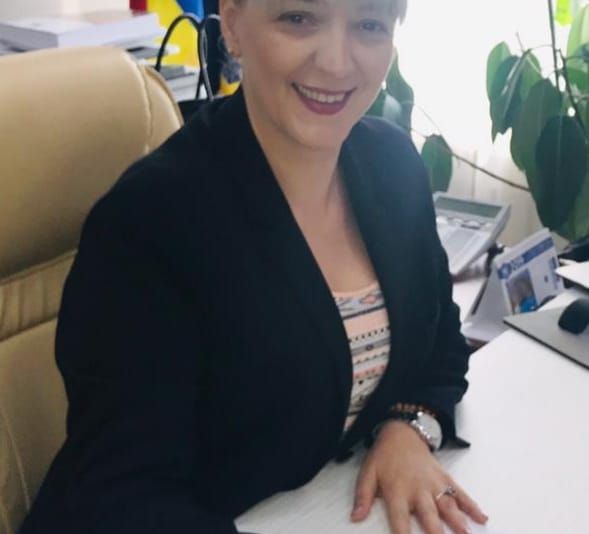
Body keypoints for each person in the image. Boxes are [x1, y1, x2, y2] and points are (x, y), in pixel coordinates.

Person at [20, 1, 489, 533]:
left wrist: (408, 427)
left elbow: (440, 346)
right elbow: (124, 496)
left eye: (368, 25)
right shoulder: (149, 222)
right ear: (233, 23)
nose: (337, 63)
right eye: (299, 18)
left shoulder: (393, 164)